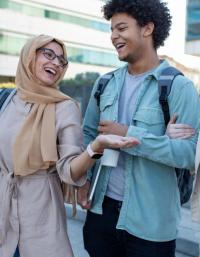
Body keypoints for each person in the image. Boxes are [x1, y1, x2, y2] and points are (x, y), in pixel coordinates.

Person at [77, 1, 200, 257]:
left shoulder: (179, 88)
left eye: (121, 28)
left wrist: (128, 134)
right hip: (102, 212)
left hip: (151, 221)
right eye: (111, 30)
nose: (113, 37)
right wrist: (84, 182)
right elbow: (88, 135)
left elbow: (188, 155)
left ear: (147, 28)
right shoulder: (104, 83)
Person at [0, 34, 140, 257]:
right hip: (3, 211)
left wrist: (96, 147)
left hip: (40, 214)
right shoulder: (6, 99)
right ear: (29, 56)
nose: (56, 63)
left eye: (61, 60)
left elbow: (69, 170)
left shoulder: (65, 107)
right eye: (48, 54)